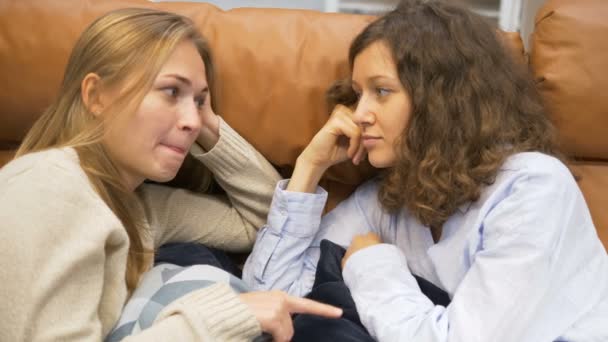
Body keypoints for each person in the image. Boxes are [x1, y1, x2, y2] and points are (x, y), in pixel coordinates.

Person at [243, 0, 608, 341]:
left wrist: (371, 263)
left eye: (382, 91)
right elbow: (269, 298)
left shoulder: (534, 188)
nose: (358, 114)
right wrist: (310, 167)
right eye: (358, 93)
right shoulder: (388, 198)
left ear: (443, 100)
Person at [0, 7, 341, 342]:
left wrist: (211, 125)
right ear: (96, 95)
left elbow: (264, 222)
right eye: (171, 91)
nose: (192, 121)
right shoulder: (47, 187)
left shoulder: (139, 210)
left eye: (200, 102)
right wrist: (222, 319)